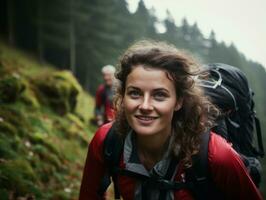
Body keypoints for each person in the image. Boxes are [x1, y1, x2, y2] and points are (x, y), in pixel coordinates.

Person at [79, 40, 262, 199]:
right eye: (134, 93)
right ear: (122, 96)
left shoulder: (216, 156)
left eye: (159, 95)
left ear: (179, 101)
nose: (145, 105)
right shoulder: (107, 141)